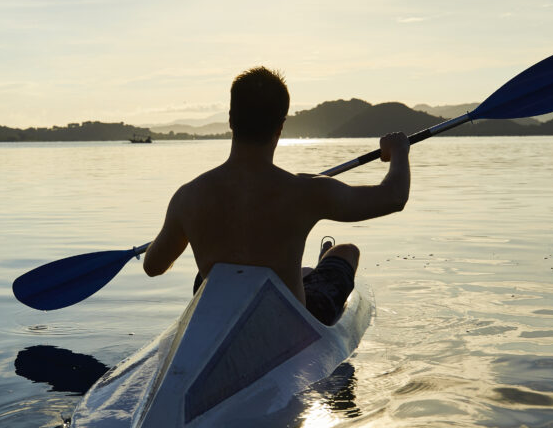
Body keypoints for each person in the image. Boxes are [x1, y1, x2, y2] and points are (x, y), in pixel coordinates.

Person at [143, 67, 410, 325]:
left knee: (206, 278)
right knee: (347, 252)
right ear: (280, 126)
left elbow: (153, 266)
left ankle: (307, 271)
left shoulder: (188, 197)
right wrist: (398, 151)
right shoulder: (306, 191)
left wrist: (179, 230)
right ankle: (322, 261)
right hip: (290, 323)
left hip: (220, 319)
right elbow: (394, 197)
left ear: (231, 119)